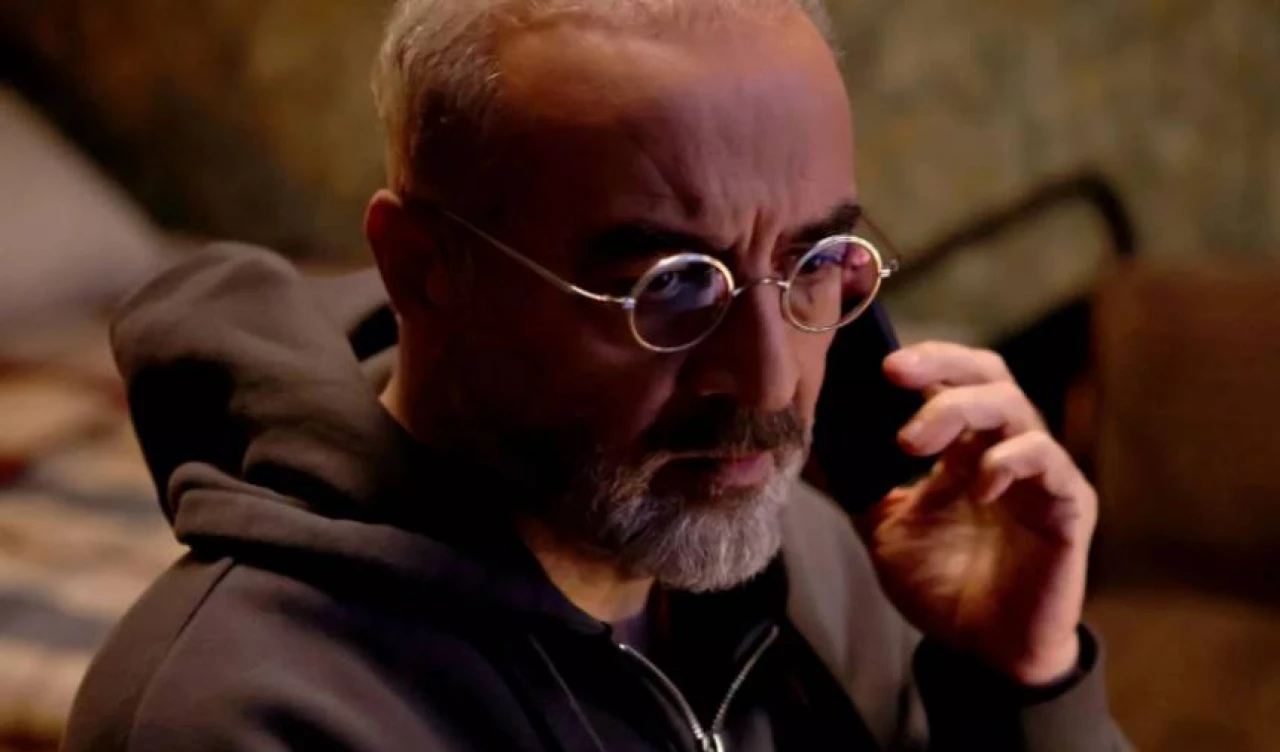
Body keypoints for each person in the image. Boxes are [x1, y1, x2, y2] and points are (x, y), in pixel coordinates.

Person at [63, 0, 1131, 749]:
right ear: (424, 270)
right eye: (671, 287)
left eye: (814, 264)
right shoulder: (235, 715)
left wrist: (1019, 687)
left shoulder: (816, 559)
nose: (767, 384)